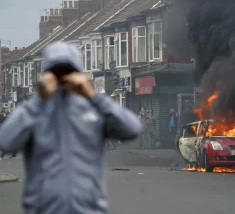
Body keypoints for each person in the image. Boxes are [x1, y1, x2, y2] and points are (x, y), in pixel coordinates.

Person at [0, 42, 143, 214]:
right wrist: (39, 99)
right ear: (46, 75)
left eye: (68, 72)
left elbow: (132, 128)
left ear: (77, 73)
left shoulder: (92, 108)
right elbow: (6, 142)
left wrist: (92, 95)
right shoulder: (35, 111)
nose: (62, 78)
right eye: (55, 73)